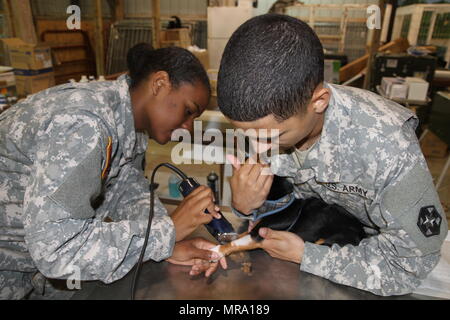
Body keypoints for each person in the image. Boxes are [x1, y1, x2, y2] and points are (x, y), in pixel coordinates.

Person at [217, 14, 448, 296]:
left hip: (372, 253)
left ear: (319, 102)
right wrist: (245, 204)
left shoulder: (387, 145)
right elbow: (286, 202)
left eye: (270, 137)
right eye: (245, 134)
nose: (258, 148)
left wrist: (308, 256)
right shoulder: (267, 121)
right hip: (318, 231)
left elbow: (408, 265)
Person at [0, 43, 226, 300]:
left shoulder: (130, 125)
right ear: (160, 84)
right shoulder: (85, 123)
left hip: (36, 272)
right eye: (187, 111)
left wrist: (165, 243)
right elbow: (57, 249)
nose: (186, 127)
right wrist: (167, 231)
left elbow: (124, 188)